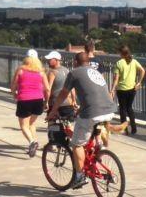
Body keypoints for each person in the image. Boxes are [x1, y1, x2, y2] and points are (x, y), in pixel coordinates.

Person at [48, 52, 117, 189]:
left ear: (75, 62)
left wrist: (54, 110)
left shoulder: (74, 73)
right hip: (110, 110)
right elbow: (93, 94)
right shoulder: (95, 71)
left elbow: (63, 94)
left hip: (93, 112)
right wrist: (79, 109)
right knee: (90, 131)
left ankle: (79, 176)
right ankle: (98, 149)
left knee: (77, 144)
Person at [11, 53, 51, 158]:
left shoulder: (20, 71)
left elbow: (13, 86)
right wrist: (46, 101)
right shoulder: (41, 73)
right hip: (38, 100)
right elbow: (47, 89)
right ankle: (33, 144)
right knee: (32, 123)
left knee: (24, 125)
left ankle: (32, 142)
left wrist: (14, 94)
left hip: (24, 99)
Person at [111, 45, 146, 134]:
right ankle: (134, 128)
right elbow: (142, 70)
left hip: (121, 89)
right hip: (132, 88)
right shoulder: (134, 61)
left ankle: (124, 129)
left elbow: (116, 79)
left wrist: (112, 89)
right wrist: (139, 82)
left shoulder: (119, 63)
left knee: (122, 109)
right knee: (129, 108)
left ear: (121, 53)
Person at [44, 51, 74, 120]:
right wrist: (73, 100)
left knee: (53, 126)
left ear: (57, 60)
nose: (48, 61)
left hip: (54, 104)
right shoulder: (67, 71)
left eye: (50, 59)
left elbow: (48, 89)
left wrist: (46, 102)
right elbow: (72, 88)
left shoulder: (52, 72)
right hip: (67, 104)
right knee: (67, 127)